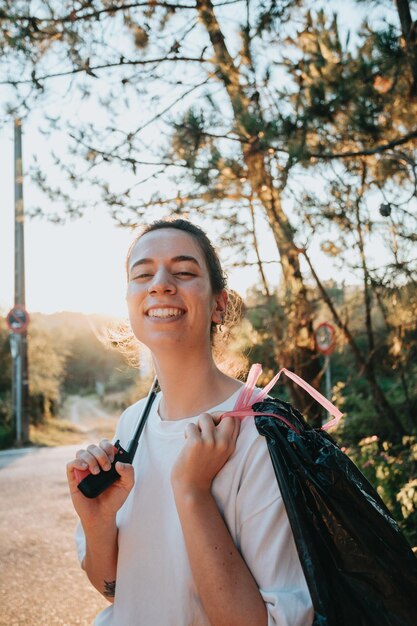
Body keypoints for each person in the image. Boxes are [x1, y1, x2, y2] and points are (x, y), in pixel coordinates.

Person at [66, 218, 313, 626]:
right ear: (129, 302)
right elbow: (112, 586)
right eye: (142, 274)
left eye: (183, 272)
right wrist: (97, 523)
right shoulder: (132, 424)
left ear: (220, 304)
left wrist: (192, 491)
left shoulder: (262, 430)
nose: (160, 284)